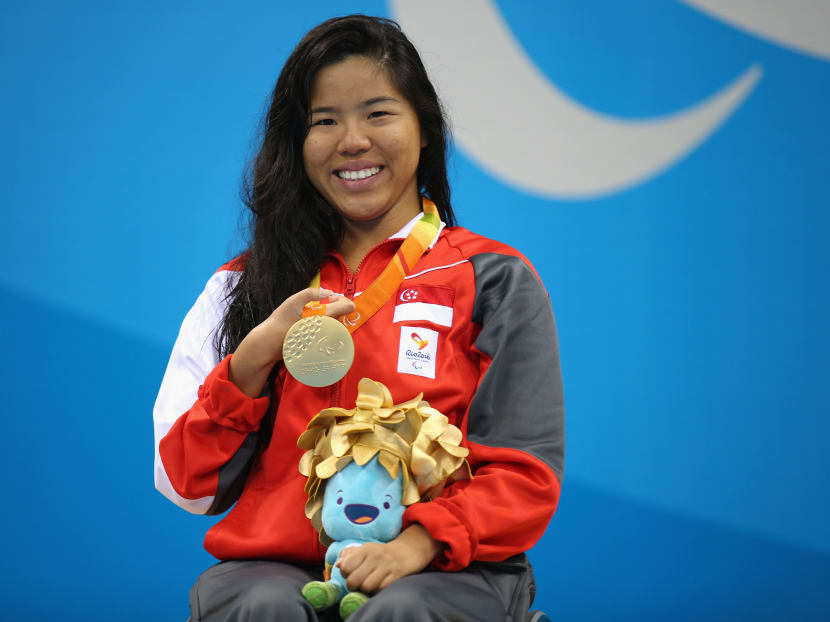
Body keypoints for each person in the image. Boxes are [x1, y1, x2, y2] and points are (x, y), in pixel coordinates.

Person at [153, 14, 564, 622]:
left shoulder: (494, 279)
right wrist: (255, 356)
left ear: (424, 129)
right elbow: (188, 485)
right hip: (275, 566)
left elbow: (523, 475)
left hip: (446, 565)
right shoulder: (244, 284)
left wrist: (419, 542)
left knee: (397, 613)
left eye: (378, 113)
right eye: (325, 121)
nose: (351, 141)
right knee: (265, 607)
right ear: (297, 144)